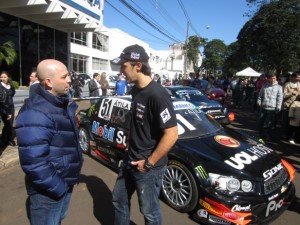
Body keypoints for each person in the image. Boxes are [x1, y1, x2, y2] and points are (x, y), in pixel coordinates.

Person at [111, 44, 178, 225]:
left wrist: (148, 163)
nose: (121, 71)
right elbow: (138, 122)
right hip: (130, 159)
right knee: (118, 200)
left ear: (137, 65)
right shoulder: (135, 90)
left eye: (124, 66)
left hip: (148, 166)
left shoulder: (158, 94)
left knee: (149, 212)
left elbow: (172, 134)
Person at [15, 59, 83, 225]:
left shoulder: (61, 102)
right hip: (49, 190)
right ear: (48, 82)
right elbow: (34, 162)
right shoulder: (35, 112)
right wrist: (58, 187)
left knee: (58, 220)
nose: (69, 80)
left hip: (64, 181)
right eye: (64, 76)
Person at [257, 73, 283, 143]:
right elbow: (260, 95)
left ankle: (268, 136)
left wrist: (278, 107)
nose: (273, 79)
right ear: (268, 78)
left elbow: (280, 98)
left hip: (272, 108)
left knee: (269, 123)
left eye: (274, 78)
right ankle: (259, 134)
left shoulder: (279, 87)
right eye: (271, 78)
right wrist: (259, 101)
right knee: (261, 121)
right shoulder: (264, 86)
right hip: (263, 107)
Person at [281, 71, 300, 139]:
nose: (299, 78)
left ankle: (291, 136)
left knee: (293, 123)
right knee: (285, 121)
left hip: (296, 107)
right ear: (293, 77)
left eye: (299, 77)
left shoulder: (299, 85)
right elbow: (283, 95)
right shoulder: (287, 84)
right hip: (287, 106)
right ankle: (284, 134)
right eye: (297, 77)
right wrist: (291, 93)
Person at [0, 71, 16, 146]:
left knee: (9, 124)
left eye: (4, 77)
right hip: (3, 108)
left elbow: (12, 95)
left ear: (8, 78)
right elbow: (2, 100)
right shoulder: (0, 86)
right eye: (1, 77)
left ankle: (8, 139)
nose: (2, 78)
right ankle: (3, 139)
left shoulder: (11, 86)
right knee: (6, 124)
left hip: (10, 107)